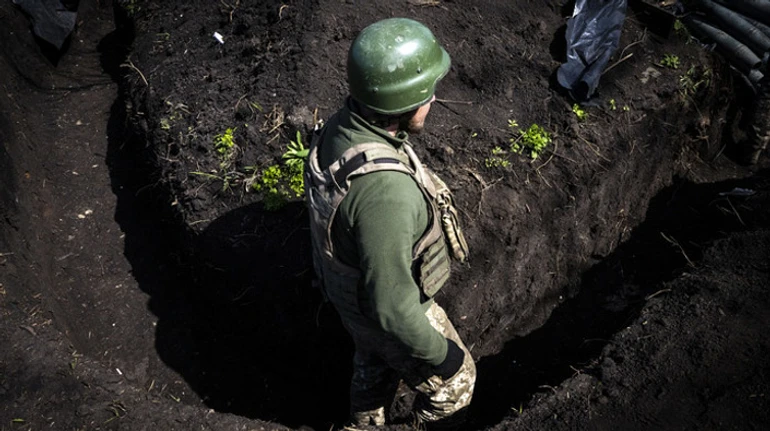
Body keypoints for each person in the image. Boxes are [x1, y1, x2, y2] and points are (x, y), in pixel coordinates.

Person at [304, 17, 476, 429]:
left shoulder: (341, 126)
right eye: (429, 92)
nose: (434, 101)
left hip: (349, 292)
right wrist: (444, 358)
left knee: (374, 358)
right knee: (459, 383)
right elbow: (392, 310)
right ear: (407, 99)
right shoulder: (387, 195)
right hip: (377, 306)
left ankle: (364, 423)